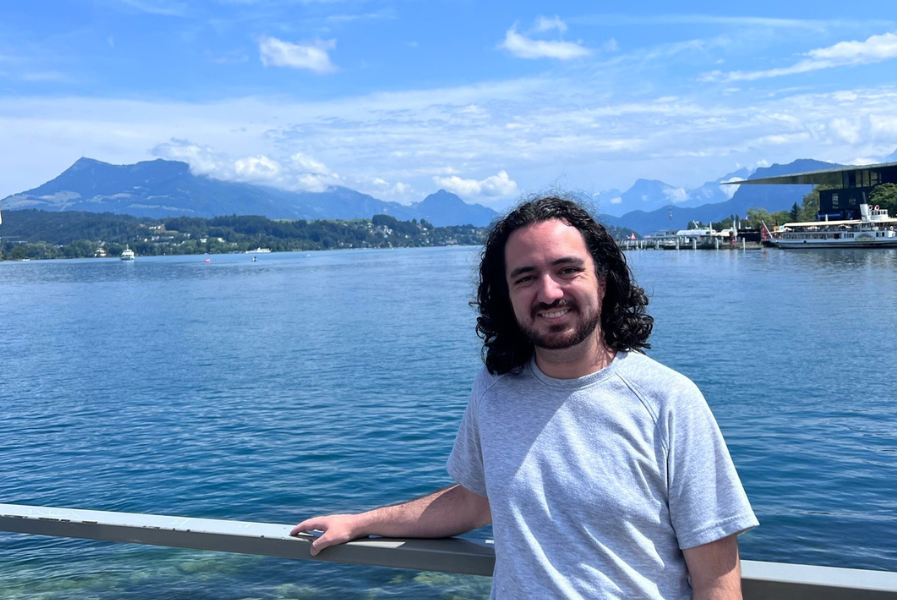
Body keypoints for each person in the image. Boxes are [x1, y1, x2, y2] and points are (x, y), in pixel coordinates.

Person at [292, 196, 758, 599]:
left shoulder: (669, 401)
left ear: (603, 279)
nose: (549, 292)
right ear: (506, 296)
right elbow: (475, 501)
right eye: (526, 277)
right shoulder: (493, 390)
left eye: (567, 270)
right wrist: (360, 523)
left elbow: (716, 579)